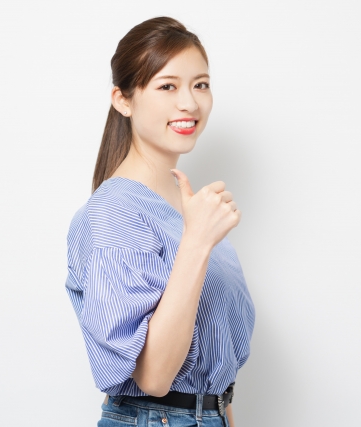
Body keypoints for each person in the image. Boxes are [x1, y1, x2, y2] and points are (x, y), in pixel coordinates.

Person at [65, 16, 256, 427]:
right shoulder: (116, 211)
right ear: (123, 99)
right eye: (167, 86)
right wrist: (197, 242)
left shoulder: (185, 209)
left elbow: (215, 378)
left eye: (200, 84)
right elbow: (153, 377)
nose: (189, 103)